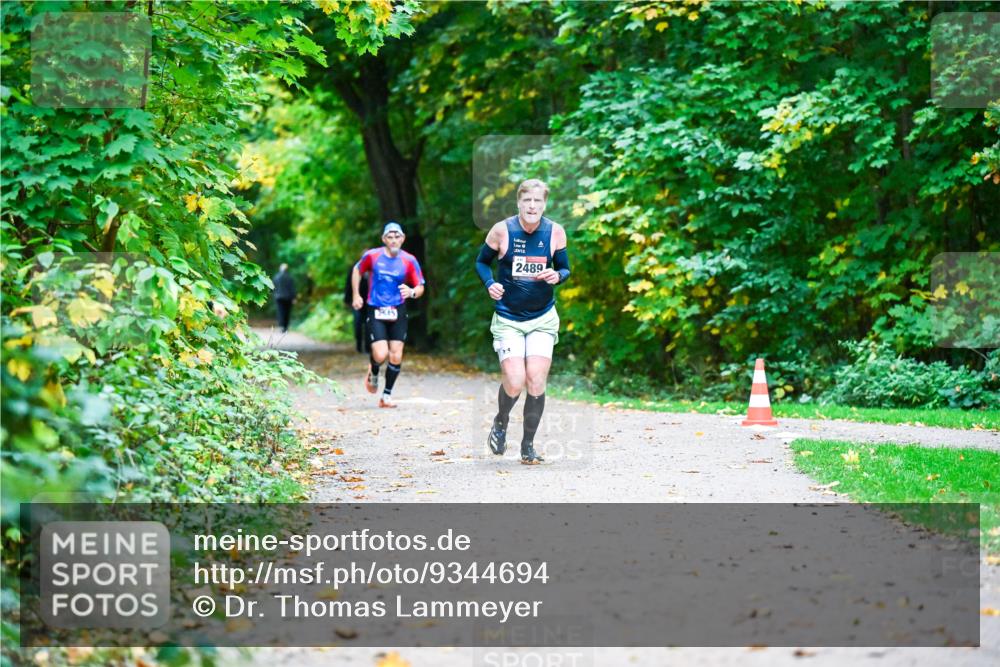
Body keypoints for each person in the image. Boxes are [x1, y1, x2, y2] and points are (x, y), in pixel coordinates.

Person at [474, 179, 570, 465]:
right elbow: (481, 262)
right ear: (518, 203)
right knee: (514, 381)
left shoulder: (555, 232)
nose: (532, 206)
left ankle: (528, 445)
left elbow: (564, 268)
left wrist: (558, 276)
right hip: (508, 318)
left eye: (538, 201)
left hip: (542, 317)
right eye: (527, 201)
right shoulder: (502, 230)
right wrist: (490, 283)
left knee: (536, 380)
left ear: (544, 204)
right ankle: (501, 422)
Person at [351, 222, 425, 408]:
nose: (393, 240)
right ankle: (374, 370)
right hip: (376, 308)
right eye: (389, 237)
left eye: (397, 237)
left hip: (398, 309)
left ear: (403, 238)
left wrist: (412, 292)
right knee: (381, 353)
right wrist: (356, 295)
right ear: (384, 239)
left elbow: (420, 286)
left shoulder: (409, 260)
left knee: (396, 355)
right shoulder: (372, 256)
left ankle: (386, 395)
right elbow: (356, 270)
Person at [344, 265, 370, 353]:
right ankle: (359, 346)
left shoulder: (374, 267)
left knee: (368, 325)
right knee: (357, 324)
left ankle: (367, 347)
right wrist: (347, 299)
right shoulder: (355, 268)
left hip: (370, 303)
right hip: (356, 302)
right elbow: (348, 284)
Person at [272, 263, 296, 333]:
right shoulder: (289, 277)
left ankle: (281, 326)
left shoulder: (276, 277)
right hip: (288, 298)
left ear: (280, 269)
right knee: (287, 312)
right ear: (287, 269)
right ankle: (286, 327)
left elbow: (272, 288)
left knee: (280, 312)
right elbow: (292, 289)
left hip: (279, 298)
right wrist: (294, 298)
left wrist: (275, 294)